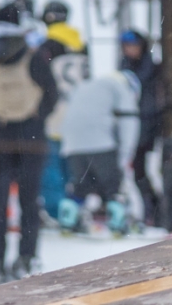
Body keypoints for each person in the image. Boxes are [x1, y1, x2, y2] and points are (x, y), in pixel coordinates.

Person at [0, 8, 59, 283]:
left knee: (0, 201)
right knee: (30, 202)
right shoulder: (34, 57)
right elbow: (51, 95)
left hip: (0, 139)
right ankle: (26, 258)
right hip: (32, 140)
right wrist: (34, 119)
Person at [60, 69, 140, 233]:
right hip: (101, 144)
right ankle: (119, 222)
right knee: (113, 185)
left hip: (72, 144)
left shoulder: (85, 86)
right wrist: (124, 156)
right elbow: (129, 122)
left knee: (80, 184)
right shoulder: (120, 86)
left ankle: (67, 220)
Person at [38, 0, 89, 219]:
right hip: (79, 113)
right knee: (74, 168)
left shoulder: (46, 46)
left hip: (55, 115)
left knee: (52, 168)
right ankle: (75, 207)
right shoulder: (81, 45)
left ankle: (59, 212)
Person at [120, 30, 164, 226]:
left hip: (147, 127)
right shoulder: (124, 66)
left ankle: (154, 210)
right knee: (137, 173)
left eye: (134, 45)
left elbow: (150, 102)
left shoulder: (149, 68)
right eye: (126, 46)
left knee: (145, 172)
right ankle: (150, 210)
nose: (130, 50)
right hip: (131, 127)